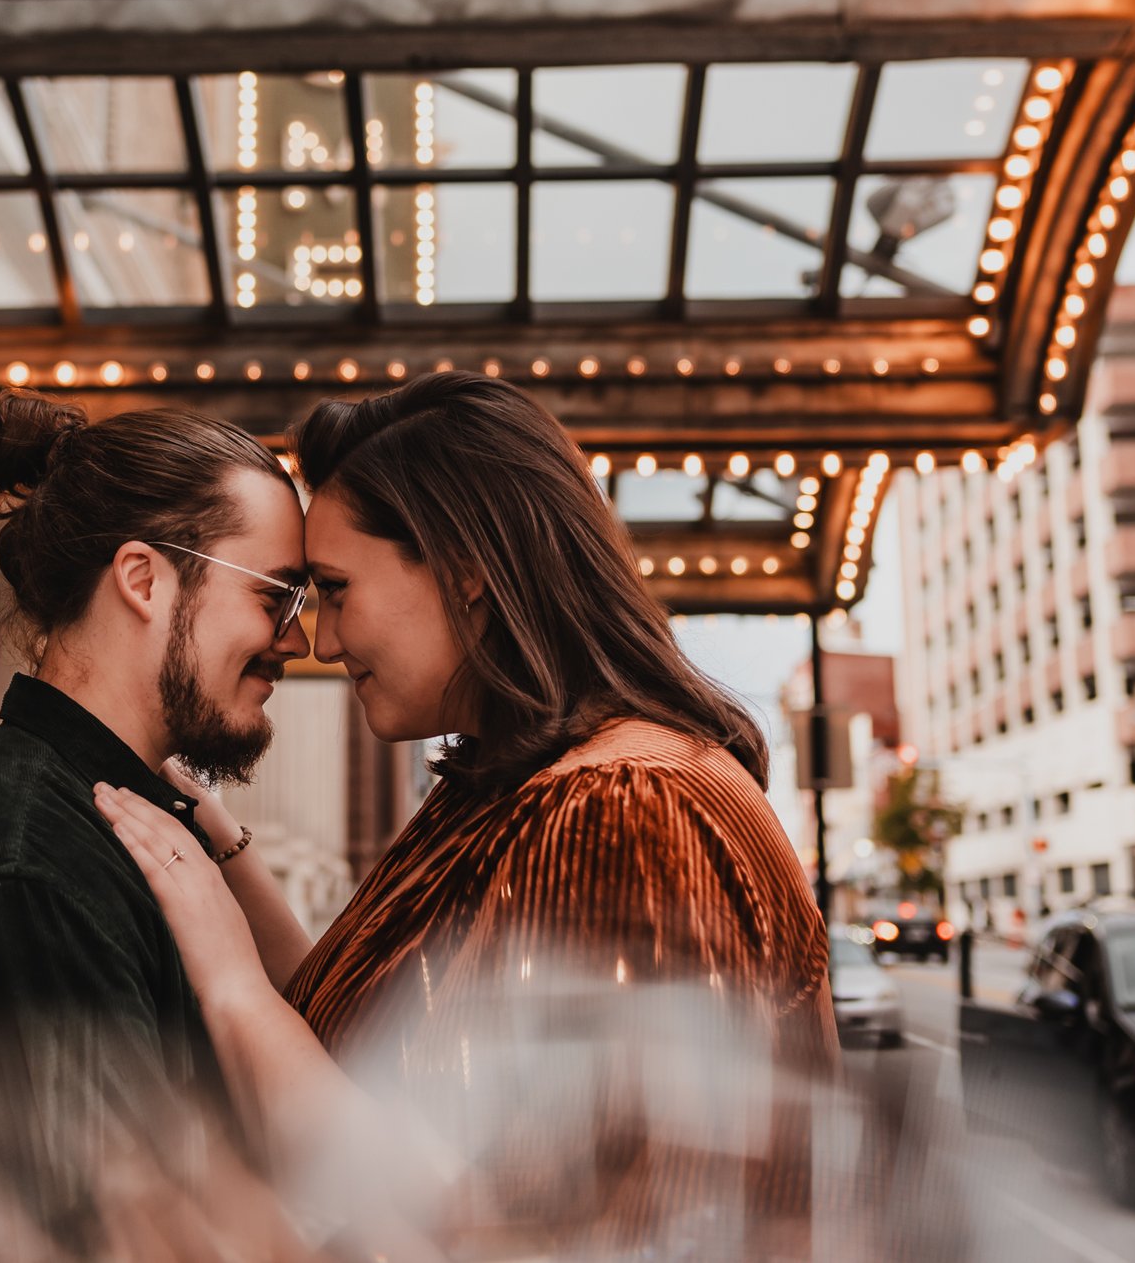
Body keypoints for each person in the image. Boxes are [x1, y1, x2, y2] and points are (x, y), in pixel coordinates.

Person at [93, 371, 835, 1252]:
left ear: (468, 572)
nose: (322, 641)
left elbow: (513, 1229)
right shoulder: (510, 788)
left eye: (335, 589)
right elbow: (359, 1042)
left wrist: (232, 990)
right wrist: (219, 849)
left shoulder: (628, 808)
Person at [0, 387, 315, 1259]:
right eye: (279, 595)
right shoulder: (25, 869)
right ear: (144, 578)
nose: (299, 640)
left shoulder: (116, 815)